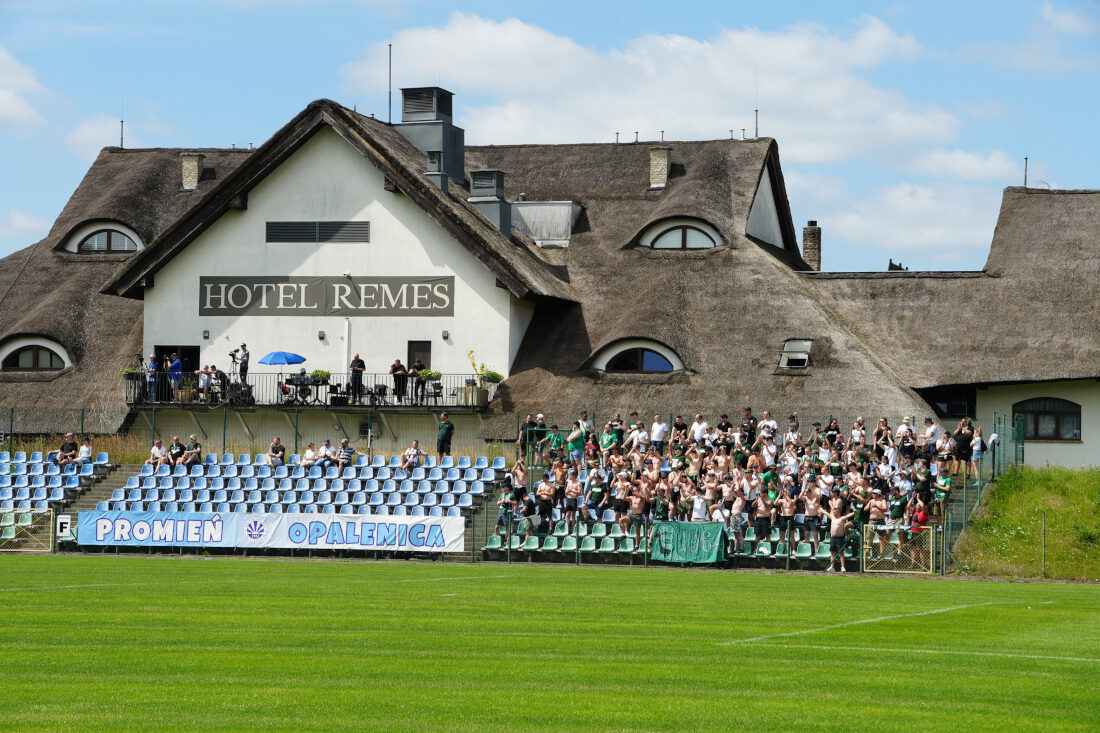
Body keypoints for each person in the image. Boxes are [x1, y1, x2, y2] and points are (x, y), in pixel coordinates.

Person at [823, 506, 857, 572]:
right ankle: (832, 567)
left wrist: (853, 513)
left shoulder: (842, 518)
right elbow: (825, 513)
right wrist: (819, 507)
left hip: (840, 538)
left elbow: (848, 516)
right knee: (833, 553)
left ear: (838, 512)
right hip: (833, 537)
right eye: (833, 511)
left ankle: (843, 567)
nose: (833, 512)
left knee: (841, 553)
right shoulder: (832, 517)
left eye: (835, 511)